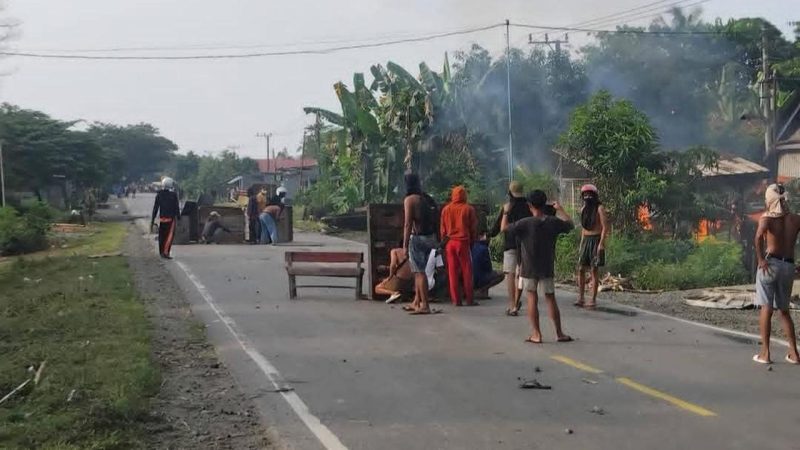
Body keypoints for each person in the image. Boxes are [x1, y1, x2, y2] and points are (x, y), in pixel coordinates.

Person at [502, 190, 574, 344]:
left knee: (531, 298)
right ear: (545, 203)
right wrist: (560, 209)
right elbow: (570, 224)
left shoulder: (525, 223)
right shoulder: (553, 222)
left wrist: (505, 213)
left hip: (528, 268)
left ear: (529, 206)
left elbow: (504, 229)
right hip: (547, 266)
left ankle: (536, 334)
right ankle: (559, 333)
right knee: (550, 298)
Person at [753, 184, 800, 365]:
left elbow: (758, 237)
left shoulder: (767, 218)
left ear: (769, 200)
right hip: (788, 266)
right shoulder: (796, 219)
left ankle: (765, 354)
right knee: (784, 311)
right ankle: (794, 354)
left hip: (770, 265)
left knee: (767, 308)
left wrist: (760, 260)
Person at [490, 181, 532, 316]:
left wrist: (488, 235)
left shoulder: (508, 206)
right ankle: (516, 302)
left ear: (509, 192)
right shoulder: (529, 206)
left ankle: (512, 304)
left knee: (510, 274)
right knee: (519, 274)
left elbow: (498, 227)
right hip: (525, 243)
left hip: (510, 243)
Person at [403, 173, 439, 315]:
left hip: (418, 239)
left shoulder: (410, 200)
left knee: (419, 273)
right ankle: (416, 302)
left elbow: (407, 224)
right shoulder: (426, 198)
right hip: (431, 238)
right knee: (418, 271)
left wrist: (405, 245)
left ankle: (425, 305)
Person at [440, 185, 478, 306]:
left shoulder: (446, 209)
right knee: (467, 272)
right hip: (463, 243)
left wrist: (444, 241)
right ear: (464, 195)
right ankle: (470, 299)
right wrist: (473, 241)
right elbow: (473, 228)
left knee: (452, 272)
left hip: (450, 243)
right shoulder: (469, 209)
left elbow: (443, 230)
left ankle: (456, 300)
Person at [576, 184, 609, 309]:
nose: (587, 196)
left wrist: (601, 244)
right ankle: (581, 298)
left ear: (594, 196)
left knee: (594, 270)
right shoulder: (583, 209)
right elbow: (584, 229)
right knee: (580, 269)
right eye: (585, 194)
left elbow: (605, 227)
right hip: (586, 240)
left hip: (596, 240)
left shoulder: (600, 208)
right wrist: (581, 244)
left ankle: (593, 300)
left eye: (590, 194)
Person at [151, 177, 181, 259]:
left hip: (162, 218)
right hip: (170, 219)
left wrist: (153, 219)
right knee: (169, 236)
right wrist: (178, 217)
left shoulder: (159, 194)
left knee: (161, 236)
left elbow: (155, 208)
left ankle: (161, 252)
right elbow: (176, 207)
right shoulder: (173, 195)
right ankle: (166, 252)